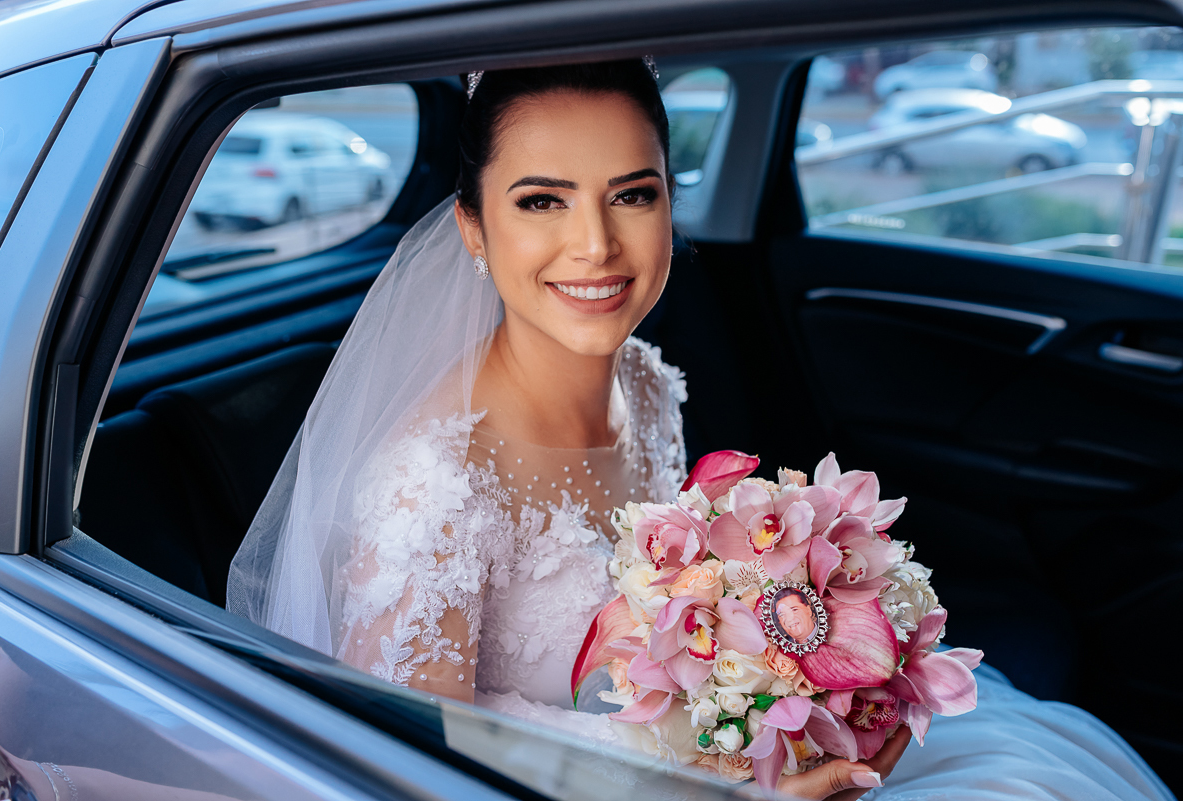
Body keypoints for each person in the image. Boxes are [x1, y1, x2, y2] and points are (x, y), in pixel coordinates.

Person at [226, 60, 1174, 801]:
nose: (595, 244)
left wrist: (793, 696)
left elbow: (677, 614)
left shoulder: (646, 382)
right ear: (473, 227)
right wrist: (699, 778)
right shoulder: (431, 477)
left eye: (632, 194)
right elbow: (419, 754)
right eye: (542, 200)